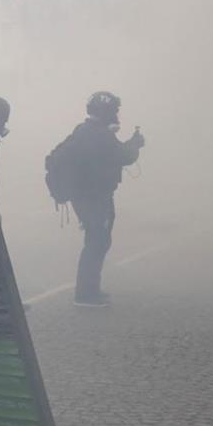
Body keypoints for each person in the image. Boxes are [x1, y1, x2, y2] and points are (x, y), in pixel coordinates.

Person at [66, 92, 145, 307]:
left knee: (97, 239)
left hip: (87, 195)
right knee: (97, 241)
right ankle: (85, 294)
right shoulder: (100, 135)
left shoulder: (84, 130)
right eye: (114, 111)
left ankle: (89, 290)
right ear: (106, 112)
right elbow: (123, 156)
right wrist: (135, 144)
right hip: (94, 196)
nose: (116, 115)